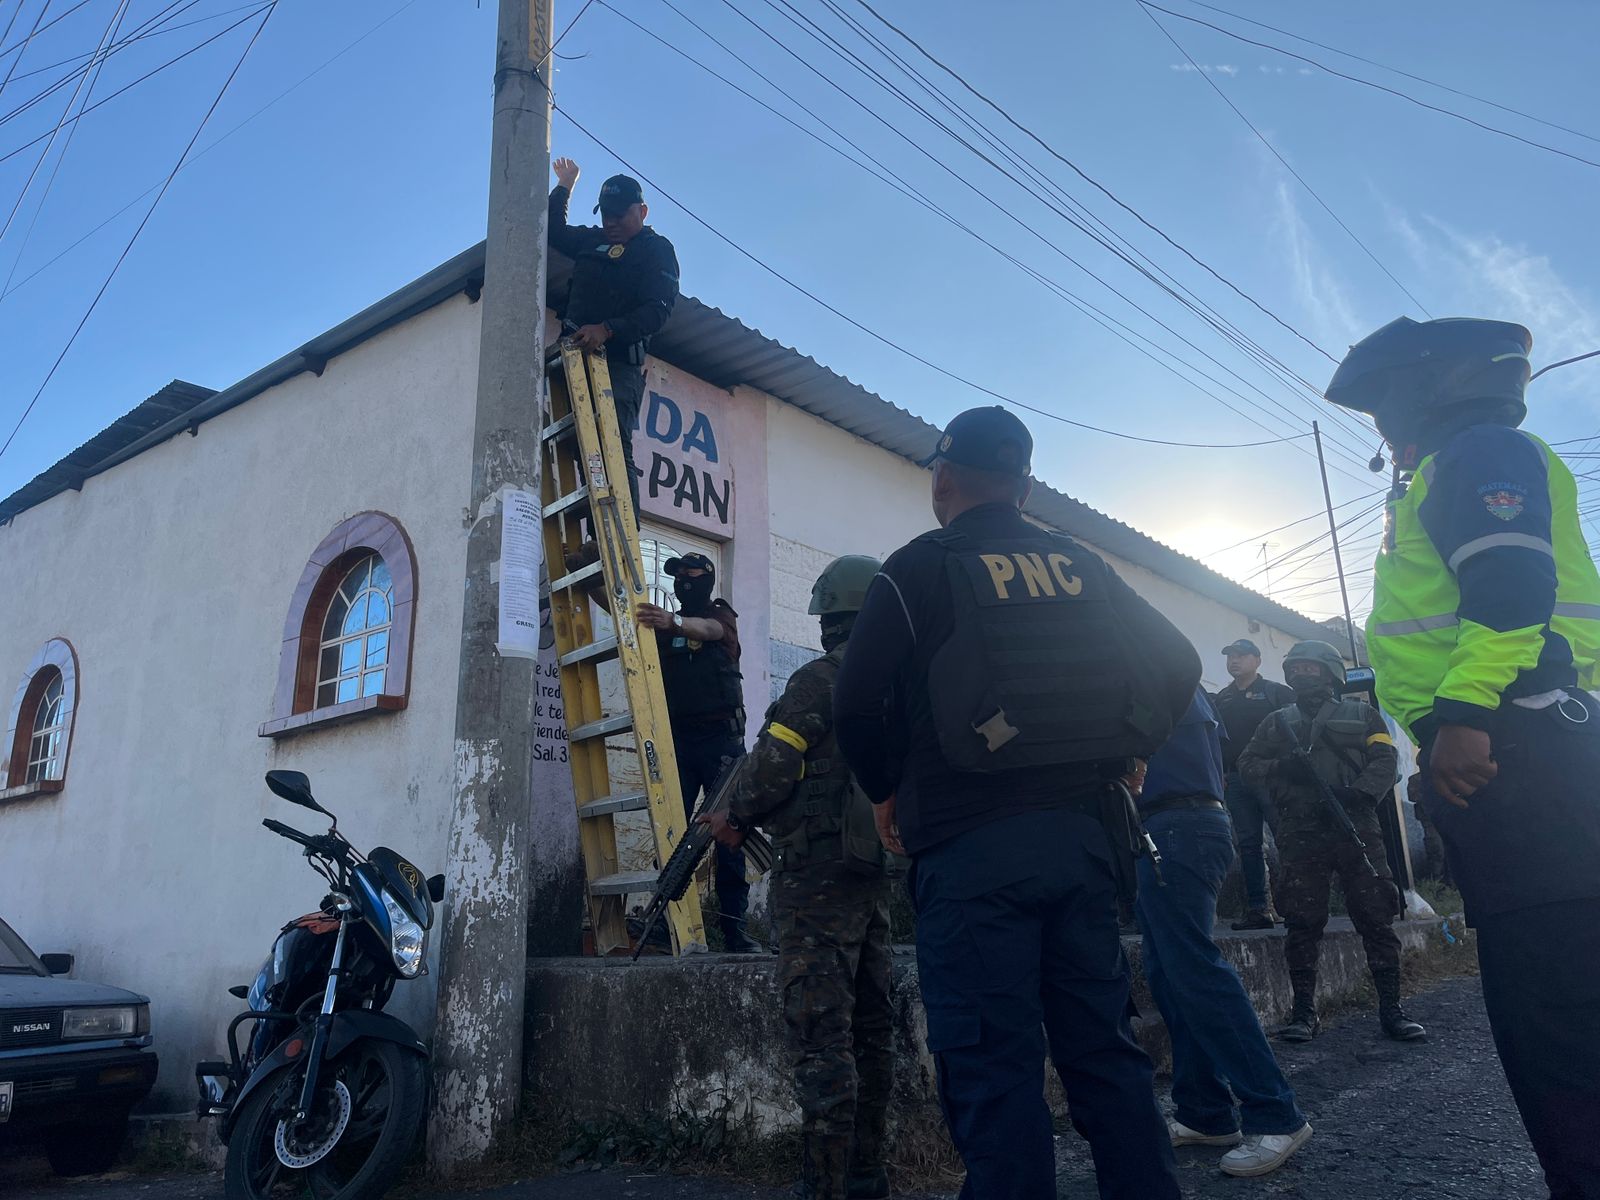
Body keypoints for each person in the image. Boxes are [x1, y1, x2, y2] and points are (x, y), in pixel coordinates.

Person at [832, 405, 1201, 1200]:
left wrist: (885, 791)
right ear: (1026, 487)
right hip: (1083, 844)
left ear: (943, 477)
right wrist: (1133, 748)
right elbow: (1177, 660)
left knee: (994, 1071)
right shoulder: (1083, 565)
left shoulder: (920, 565)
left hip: (971, 857)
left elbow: (856, 706)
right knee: (1104, 1055)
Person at [1326, 316, 1600, 1199]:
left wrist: (1464, 714)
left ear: (1426, 388)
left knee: (1561, 1035)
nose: (1380, 427)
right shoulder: (1468, 460)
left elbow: (1513, 588)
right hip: (1540, 755)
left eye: (1382, 405)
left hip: (1520, 755)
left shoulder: (1476, 451)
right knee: (1559, 1024)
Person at [699, 555, 899, 1200]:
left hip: (816, 877)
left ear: (829, 620)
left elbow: (775, 763)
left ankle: (825, 1185)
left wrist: (734, 812)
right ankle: (868, 1173)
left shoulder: (820, 680)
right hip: (874, 874)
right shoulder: (902, 683)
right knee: (872, 1028)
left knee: (820, 1032)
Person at [1136, 687, 1312, 1178]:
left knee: (1195, 972)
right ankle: (1205, 1113)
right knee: (1171, 976)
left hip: (1178, 826)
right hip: (1166, 827)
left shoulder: (1157, 671)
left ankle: (1277, 1115)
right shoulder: (1165, 675)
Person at [1236, 641, 1425, 1044]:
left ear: (1330, 674)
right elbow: (1247, 764)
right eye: (1296, 669)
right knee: (1302, 922)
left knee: (1375, 915)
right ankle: (1304, 1012)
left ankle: (1392, 1009)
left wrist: (1360, 793)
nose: (1302, 675)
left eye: (1310, 668)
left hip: (1354, 823)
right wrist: (1283, 768)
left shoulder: (1363, 714)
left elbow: (1386, 762)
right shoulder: (1276, 721)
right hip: (1299, 828)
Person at [634, 552, 756, 953]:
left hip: (722, 744)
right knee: (671, 834)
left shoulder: (721, 617)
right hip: (680, 744)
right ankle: (663, 925)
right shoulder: (667, 626)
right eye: (678, 575)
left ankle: (735, 931)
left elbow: (710, 630)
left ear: (706, 579)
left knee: (729, 837)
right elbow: (625, 611)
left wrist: (676, 622)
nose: (684, 580)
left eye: (691, 574)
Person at [549, 157, 680, 521]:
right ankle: (593, 532)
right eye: (605, 215)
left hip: (618, 363)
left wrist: (607, 329)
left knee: (612, 442)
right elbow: (553, 230)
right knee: (576, 445)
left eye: (619, 216)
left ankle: (622, 531)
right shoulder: (592, 240)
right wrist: (565, 185)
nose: (611, 223)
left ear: (642, 211)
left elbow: (658, 310)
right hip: (573, 360)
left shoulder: (656, 250)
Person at [1212, 639, 1297, 930]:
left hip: (1273, 777)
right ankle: (1259, 909)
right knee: (1248, 845)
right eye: (1230, 657)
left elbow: (1296, 732)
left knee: (1286, 839)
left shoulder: (1277, 693)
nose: (1234, 661)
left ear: (1257, 660)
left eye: (1241, 656)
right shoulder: (1222, 699)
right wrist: (1221, 772)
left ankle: (1298, 905)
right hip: (1236, 779)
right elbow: (1218, 740)